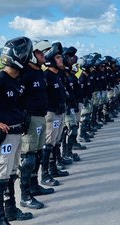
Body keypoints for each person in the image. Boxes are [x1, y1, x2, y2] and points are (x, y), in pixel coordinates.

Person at [0, 36, 33, 225]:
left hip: (17, 133)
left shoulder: (17, 80)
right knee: (1, 175)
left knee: (12, 173)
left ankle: (11, 209)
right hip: (5, 136)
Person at [19, 39, 55, 210]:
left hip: (41, 117)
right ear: (33, 55)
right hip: (30, 119)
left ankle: (34, 185)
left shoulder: (40, 72)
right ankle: (25, 195)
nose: (44, 55)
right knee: (28, 157)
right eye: (41, 53)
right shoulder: (24, 73)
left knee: (38, 154)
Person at [42, 42, 69, 186]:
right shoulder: (46, 76)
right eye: (58, 57)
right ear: (51, 60)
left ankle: (54, 168)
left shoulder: (57, 75)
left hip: (59, 113)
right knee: (48, 144)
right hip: (51, 115)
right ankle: (45, 174)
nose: (61, 60)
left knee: (56, 141)